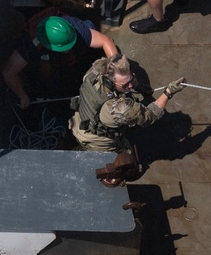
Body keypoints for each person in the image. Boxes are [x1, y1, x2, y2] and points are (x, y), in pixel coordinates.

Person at [69, 54, 186, 186]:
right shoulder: (121, 108)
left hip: (81, 120)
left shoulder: (97, 68)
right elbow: (150, 116)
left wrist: (139, 87)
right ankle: (110, 175)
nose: (130, 86)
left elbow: (123, 75)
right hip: (97, 139)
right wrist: (169, 92)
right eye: (126, 84)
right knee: (128, 158)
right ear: (111, 81)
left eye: (132, 79)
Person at [2, 11, 118, 110]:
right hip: (46, 57)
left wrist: (116, 71)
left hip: (73, 46)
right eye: (64, 48)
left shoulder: (75, 27)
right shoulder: (31, 43)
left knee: (89, 38)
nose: (67, 50)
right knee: (45, 73)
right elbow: (8, 73)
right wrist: (23, 97)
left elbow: (105, 41)